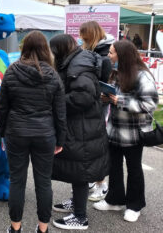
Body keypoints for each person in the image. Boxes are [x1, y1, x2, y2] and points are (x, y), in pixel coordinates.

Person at [0, 31, 67, 233]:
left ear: (24, 47)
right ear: (45, 49)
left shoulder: (11, 71)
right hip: (45, 134)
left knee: (17, 181)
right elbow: (60, 113)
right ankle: (43, 229)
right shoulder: (53, 75)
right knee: (43, 182)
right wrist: (60, 139)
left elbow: (3, 107)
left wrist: (3, 132)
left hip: (16, 133)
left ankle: (15, 228)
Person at [93, 40, 158, 223]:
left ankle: (134, 205)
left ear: (122, 55)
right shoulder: (116, 73)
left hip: (134, 134)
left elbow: (150, 104)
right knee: (113, 167)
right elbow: (114, 96)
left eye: (112, 53)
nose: (109, 56)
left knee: (134, 169)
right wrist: (106, 98)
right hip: (114, 131)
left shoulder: (142, 76)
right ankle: (115, 200)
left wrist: (119, 101)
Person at [49, 34, 109, 230]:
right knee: (78, 168)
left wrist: (57, 102)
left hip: (83, 127)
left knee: (81, 170)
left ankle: (80, 217)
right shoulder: (77, 61)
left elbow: (82, 97)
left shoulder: (77, 65)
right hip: (82, 125)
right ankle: (76, 203)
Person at [79, 20, 113, 201]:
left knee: (98, 145)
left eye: (83, 35)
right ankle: (95, 179)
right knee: (89, 145)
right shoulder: (90, 53)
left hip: (99, 106)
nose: (80, 38)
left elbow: (104, 82)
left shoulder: (103, 56)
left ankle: (102, 183)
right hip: (91, 104)